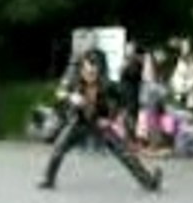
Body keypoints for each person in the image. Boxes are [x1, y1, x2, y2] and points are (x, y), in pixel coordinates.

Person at [39, 51, 162, 192]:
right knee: (59, 147)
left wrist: (110, 119)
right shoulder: (74, 79)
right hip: (79, 121)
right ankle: (48, 179)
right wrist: (70, 97)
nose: (89, 75)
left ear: (99, 71)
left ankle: (149, 182)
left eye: (93, 72)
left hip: (99, 121)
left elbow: (124, 102)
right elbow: (59, 92)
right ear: (82, 69)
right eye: (86, 71)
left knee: (124, 153)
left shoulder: (108, 84)